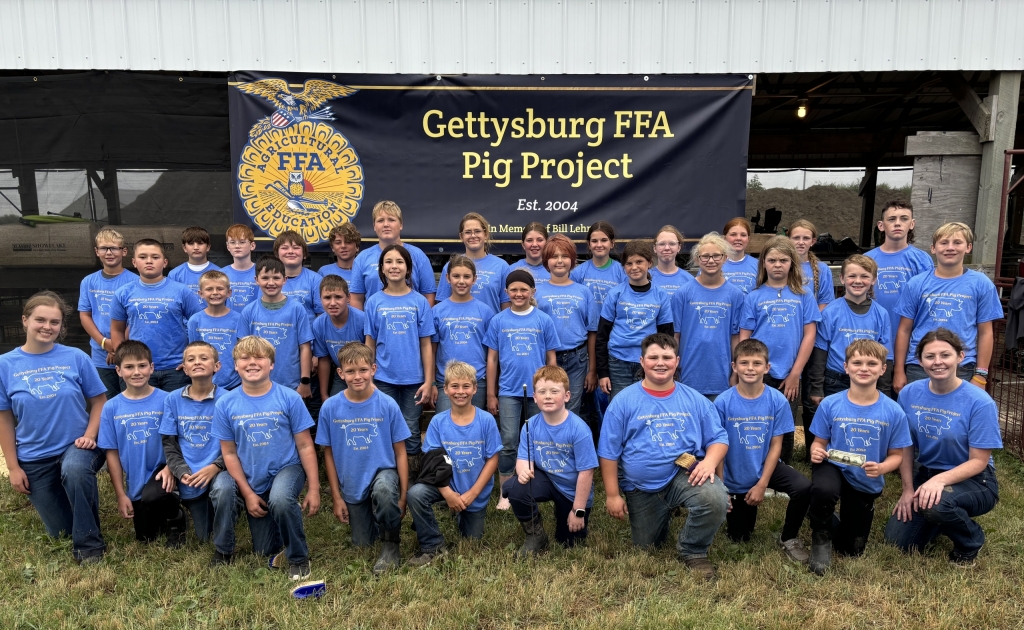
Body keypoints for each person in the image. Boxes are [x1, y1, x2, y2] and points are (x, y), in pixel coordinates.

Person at [597, 334, 729, 581]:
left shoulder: (694, 399)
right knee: (647, 547)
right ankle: (665, 511)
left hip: (682, 472)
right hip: (640, 486)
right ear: (642, 361)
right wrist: (613, 494)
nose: (660, 363)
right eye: (653, 357)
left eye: (667, 357)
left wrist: (710, 462)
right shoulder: (623, 401)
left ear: (677, 361)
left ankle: (693, 549)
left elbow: (719, 439)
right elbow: (608, 452)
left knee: (715, 499)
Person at [0, 292, 108, 564]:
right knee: (60, 531)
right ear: (25, 320)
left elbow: (99, 401)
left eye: (55, 322)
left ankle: (89, 547)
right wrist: (13, 467)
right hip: (34, 456)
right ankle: (74, 507)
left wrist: (90, 435)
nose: (47, 327)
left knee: (74, 470)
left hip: (77, 446)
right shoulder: (5, 365)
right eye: (40, 320)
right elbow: (4, 419)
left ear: (61, 327)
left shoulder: (76, 357)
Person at [885, 328, 1002, 566]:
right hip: (927, 473)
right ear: (920, 361)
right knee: (898, 542)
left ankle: (970, 541)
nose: (938, 362)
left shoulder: (979, 402)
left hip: (975, 478)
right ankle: (938, 516)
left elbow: (979, 461)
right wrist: (908, 490)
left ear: (960, 356)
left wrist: (939, 482)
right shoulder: (909, 394)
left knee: (938, 505)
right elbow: (906, 446)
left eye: (945, 355)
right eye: (930, 356)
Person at [212, 335, 320, 581]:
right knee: (264, 548)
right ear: (236, 365)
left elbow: (305, 445)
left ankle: (298, 558)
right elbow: (228, 452)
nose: (252, 362)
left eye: (259, 357)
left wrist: (314, 487)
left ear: (271, 364)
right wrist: (248, 494)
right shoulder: (226, 403)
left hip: (287, 467)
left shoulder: (289, 398)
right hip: (249, 473)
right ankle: (223, 549)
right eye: (244, 358)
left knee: (281, 499)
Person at [806, 339, 911, 575]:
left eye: (872, 363)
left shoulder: (893, 411)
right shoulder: (831, 404)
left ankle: (815, 511)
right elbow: (819, 442)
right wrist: (816, 451)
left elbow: (897, 455)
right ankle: (820, 534)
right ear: (846, 367)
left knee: (851, 549)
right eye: (857, 362)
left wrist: (883, 468)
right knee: (823, 489)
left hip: (866, 475)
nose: (864, 368)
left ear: (883, 369)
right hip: (832, 467)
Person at [316, 342, 409, 575]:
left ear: (373, 369)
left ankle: (391, 544)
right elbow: (328, 453)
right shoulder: (330, 408)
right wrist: (337, 497)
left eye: (363, 370)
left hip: (383, 473)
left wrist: (404, 496)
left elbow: (400, 452)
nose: (357, 376)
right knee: (363, 544)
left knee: (385, 490)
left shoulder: (387, 405)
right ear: (340, 373)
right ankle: (377, 516)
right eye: (350, 371)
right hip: (352, 481)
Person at [714, 339, 811, 563]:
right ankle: (738, 506)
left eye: (757, 363)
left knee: (803, 487)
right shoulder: (722, 402)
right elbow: (717, 446)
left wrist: (762, 484)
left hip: (765, 465)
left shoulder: (777, 400)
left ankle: (789, 538)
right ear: (734, 366)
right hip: (734, 474)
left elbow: (777, 445)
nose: (750, 368)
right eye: (744, 362)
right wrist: (722, 488)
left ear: (767, 368)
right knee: (740, 538)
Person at [407, 360, 501, 566]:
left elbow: (492, 459)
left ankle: (462, 513)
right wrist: (448, 493)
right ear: (445, 389)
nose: (461, 391)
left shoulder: (486, 421)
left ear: (475, 389)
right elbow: (433, 461)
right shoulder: (438, 422)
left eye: (466, 386)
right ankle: (433, 545)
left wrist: (473, 493)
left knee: (471, 542)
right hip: (445, 486)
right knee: (415, 494)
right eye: (455, 386)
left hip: (473, 491)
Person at [893, 222, 1002, 393]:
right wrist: (899, 371)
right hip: (919, 365)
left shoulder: (981, 284)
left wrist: (981, 374)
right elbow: (904, 330)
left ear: (968, 247)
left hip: (962, 366)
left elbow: (986, 332)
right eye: (944, 243)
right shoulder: (916, 284)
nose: (950, 248)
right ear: (933, 248)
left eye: (957, 242)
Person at [739, 236, 820, 464]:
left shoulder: (804, 295)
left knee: (784, 424)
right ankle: (755, 465)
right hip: (758, 372)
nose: (777, 264)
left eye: (783, 260)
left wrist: (795, 373)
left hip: (789, 374)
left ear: (792, 263)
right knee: (758, 420)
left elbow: (810, 334)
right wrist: (743, 369)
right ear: (763, 263)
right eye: (772, 260)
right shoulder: (753, 296)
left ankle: (781, 469)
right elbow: (745, 337)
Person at [159, 341, 241, 565]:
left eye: (204, 358)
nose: (197, 362)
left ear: (217, 366)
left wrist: (216, 467)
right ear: (184, 368)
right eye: (191, 359)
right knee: (203, 535)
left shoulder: (229, 399)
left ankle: (224, 550)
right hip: (189, 474)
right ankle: (192, 511)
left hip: (218, 468)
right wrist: (180, 471)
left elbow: (238, 443)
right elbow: (169, 443)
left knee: (224, 488)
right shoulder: (172, 399)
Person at [484, 269, 560, 510]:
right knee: (508, 441)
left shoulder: (543, 320)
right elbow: (492, 359)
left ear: (532, 292)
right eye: (513, 290)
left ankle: (538, 485)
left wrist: (551, 389)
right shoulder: (499, 320)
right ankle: (506, 491)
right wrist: (491, 393)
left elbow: (551, 358)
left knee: (537, 439)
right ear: (506, 292)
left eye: (523, 289)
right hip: (508, 391)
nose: (518, 294)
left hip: (538, 392)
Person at [502, 366, 598, 555]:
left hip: (572, 490)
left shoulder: (579, 430)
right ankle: (536, 535)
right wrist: (522, 471)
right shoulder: (530, 425)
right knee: (513, 487)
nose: (548, 396)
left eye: (554, 391)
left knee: (569, 543)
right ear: (535, 397)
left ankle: (566, 511)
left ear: (567, 396)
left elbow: (587, 472)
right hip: (547, 479)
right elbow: (523, 458)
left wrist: (578, 510)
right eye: (542, 392)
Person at [99, 341, 185, 547]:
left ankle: (176, 517)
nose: (136, 372)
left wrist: (170, 468)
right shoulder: (111, 407)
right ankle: (156, 513)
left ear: (151, 368)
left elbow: (180, 440)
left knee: (154, 496)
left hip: (163, 473)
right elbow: (111, 454)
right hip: (136, 484)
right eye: (129, 367)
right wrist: (121, 495)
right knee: (145, 537)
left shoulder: (168, 400)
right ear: (118, 371)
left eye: (142, 365)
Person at [364, 244, 435, 472]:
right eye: (389, 262)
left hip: (414, 379)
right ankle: (388, 473)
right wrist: (368, 377)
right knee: (385, 425)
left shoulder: (419, 302)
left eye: (400, 262)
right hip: (384, 378)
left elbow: (426, 344)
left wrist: (428, 380)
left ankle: (412, 475)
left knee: (411, 427)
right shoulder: (374, 301)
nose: (394, 266)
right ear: (382, 269)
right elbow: (370, 343)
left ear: (408, 268)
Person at [110, 238, 203, 392]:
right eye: (142, 257)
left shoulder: (182, 291)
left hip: (176, 369)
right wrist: (124, 360)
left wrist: (192, 358)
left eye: (155, 257)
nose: (149, 261)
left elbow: (200, 323)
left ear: (165, 262)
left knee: (175, 414)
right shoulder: (123, 293)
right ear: (134, 262)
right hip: (139, 369)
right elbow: (117, 330)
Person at [808, 254, 893, 421]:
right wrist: (817, 387)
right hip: (835, 380)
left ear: (874, 280)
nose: (858, 281)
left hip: (869, 380)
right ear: (842, 278)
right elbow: (820, 351)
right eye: (852, 276)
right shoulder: (830, 312)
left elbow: (886, 356)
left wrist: (884, 391)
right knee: (836, 424)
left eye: (864, 276)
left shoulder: (881, 314)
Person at [596, 240, 674, 401]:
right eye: (629, 263)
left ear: (650, 263)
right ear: (624, 267)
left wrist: (663, 364)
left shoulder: (660, 295)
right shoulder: (615, 294)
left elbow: (667, 336)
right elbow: (602, 335)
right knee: (620, 406)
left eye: (639, 262)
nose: (634, 267)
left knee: (646, 404)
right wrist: (603, 372)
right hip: (617, 362)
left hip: (648, 362)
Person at [672, 232, 744, 400]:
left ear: (725, 258)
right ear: (697, 260)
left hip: (721, 375)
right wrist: (674, 368)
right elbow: (675, 336)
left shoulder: (735, 295)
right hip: (688, 374)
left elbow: (736, 338)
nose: (711, 261)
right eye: (705, 257)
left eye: (716, 256)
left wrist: (735, 372)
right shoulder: (682, 294)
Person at [535, 235, 599, 415]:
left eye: (565, 256)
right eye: (554, 256)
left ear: (572, 259)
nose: (560, 261)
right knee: (547, 407)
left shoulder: (584, 292)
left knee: (571, 410)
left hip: (577, 359)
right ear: (547, 261)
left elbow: (592, 332)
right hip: (546, 358)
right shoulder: (537, 292)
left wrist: (592, 370)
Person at [236, 256, 314, 398]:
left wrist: (305, 381)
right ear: (256, 280)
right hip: (256, 383)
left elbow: (305, 347)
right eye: (265, 278)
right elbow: (242, 350)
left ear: (285, 280)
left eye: (276, 278)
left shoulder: (297, 309)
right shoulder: (249, 311)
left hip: (291, 384)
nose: (271, 283)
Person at [431, 255, 495, 413]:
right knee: (446, 429)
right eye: (456, 276)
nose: (461, 281)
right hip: (445, 382)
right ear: (447, 278)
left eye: (466, 276)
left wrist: (491, 392)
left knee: (476, 430)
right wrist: (432, 382)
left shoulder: (485, 312)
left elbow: (492, 354)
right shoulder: (437, 312)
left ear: (474, 279)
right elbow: (431, 351)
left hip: (477, 382)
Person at [78, 228, 137, 399]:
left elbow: (134, 318)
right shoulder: (89, 281)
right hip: (100, 355)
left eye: (114, 248)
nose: (109, 252)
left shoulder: (134, 281)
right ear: (97, 252)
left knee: (132, 399)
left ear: (124, 251)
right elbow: (85, 315)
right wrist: (104, 343)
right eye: (104, 248)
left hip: (130, 353)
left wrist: (118, 348)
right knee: (107, 402)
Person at [864, 199, 934, 336]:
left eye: (904, 219)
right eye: (891, 219)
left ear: (912, 224)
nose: (897, 223)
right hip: (872, 333)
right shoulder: (866, 259)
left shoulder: (922, 260)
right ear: (881, 225)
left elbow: (928, 301)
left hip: (910, 335)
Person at [350, 200, 437, 309]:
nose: (386, 224)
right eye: (380, 220)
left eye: (391, 220)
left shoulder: (418, 256)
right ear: (374, 226)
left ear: (401, 225)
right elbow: (356, 299)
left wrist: (420, 323)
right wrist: (365, 325)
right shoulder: (362, 258)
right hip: (375, 324)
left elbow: (428, 296)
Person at [435, 212, 510, 312]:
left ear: (486, 234)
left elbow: (506, 308)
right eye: (468, 232)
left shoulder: (501, 266)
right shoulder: (450, 266)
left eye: (477, 231)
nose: (473, 235)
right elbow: (442, 306)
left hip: (491, 327)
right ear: (461, 236)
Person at [313, 275, 366, 400]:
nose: (332, 303)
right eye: (327, 298)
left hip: (364, 373)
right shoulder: (319, 324)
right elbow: (324, 359)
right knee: (335, 406)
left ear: (348, 298)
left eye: (338, 297)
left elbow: (373, 354)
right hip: (341, 374)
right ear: (320, 299)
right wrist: (324, 394)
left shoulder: (362, 320)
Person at [187, 270, 242, 391]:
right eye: (209, 289)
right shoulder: (195, 320)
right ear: (201, 293)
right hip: (205, 383)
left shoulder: (239, 319)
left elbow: (243, 352)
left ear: (229, 292)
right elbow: (193, 351)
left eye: (220, 289)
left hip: (234, 383)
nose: (215, 293)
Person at [571, 221, 627, 310]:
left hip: (614, 324)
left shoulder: (622, 272)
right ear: (589, 244)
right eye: (594, 241)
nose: (599, 245)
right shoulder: (577, 272)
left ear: (612, 243)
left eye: (604, 240)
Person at [273, 230, 324, 325]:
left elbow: (321, 316)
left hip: (308, 338)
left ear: (304, 254)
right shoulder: (269, 280)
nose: (290, 251)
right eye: (285, 248)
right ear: (277, 254)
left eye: (296, 248)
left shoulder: (315, 280)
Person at [168, 226, 221, 308]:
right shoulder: (174, 275)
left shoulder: (220, 273)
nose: (196, 247)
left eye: (200, 243)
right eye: (191, 243)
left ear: (208, 247)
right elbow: (173, 304)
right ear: (184, 248)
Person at [789, 219, 834, 311]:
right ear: (788, 239)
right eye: (796, 238)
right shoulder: (781, 266)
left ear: (813, 242)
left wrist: (812, 322)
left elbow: (825, 303)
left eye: (806, 238)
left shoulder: (822, 269)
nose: (801, 242)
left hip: (812, 322)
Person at [222, 224, 259, 311]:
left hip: (255, 322)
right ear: (228, 246)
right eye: (232, 242)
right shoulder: (221, 274)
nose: (237, 246)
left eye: (242, 242)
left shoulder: (262, 272)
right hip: (229, 323)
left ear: (252, 245)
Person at [650, 225, 693, 296]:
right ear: (655, 248)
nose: (667, 248)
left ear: (679, 247)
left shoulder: (689, 280)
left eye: (672, 244)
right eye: (662, 244)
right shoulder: (646, 277)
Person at [722, 217, 759, 294]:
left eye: (743, 235)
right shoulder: (713, 264)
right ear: (725, 238)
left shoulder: (759, 265)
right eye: (733, 234)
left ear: (748, 239)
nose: (738, 238)